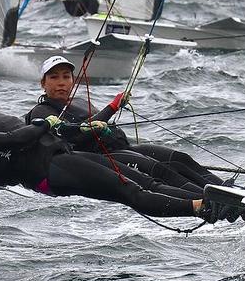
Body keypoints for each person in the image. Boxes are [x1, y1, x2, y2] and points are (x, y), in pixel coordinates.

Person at [0, 77, 212, 219]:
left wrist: (75, 127)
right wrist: (43, 124)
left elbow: (29, 135)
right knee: (131, 191)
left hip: (62, 158)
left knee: (144, 180)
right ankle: (201, 207)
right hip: (48, 172)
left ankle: (212, 198)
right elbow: (16, 139)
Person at [25, 56, 226, 188]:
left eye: (66, 76)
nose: (61, 82)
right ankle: (207, 197)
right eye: (53, 77)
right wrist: (112, 107)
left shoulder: (79, 101)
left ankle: (226, 188)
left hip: (124, 147)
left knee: (178, 158)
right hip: (101, 157)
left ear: (73, 80)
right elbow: (77, 134)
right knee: (159, 169)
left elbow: (98, 123)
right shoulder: (42, 110)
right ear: (43, 83)